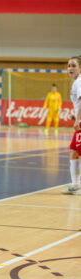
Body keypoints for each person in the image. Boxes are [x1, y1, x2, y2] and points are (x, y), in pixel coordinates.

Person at [62, 56, 81, 195]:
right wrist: (76, 116)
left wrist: (77, 120)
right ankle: (75, 185)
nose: (70, 68)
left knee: (77, 152)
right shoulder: (77, 82)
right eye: (69, 65)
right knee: (73, 151)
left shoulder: (79, 82)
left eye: (73, 65)